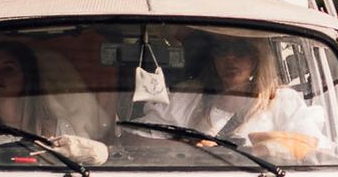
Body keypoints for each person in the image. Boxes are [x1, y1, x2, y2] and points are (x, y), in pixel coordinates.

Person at [137, 34, 328, 161]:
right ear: (213, 57)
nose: (230, 59)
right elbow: (137, 139)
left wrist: (259, 151)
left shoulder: (281, 100)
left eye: (240, 51)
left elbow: (311, 145)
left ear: (256, 58)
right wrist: (187, 146)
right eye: (222, 50)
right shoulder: (188, 97)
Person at [0, 39, 109, 166]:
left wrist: (96, 151)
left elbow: (79, 157)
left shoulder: (60, 126)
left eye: (8, 69)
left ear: (27, 77)